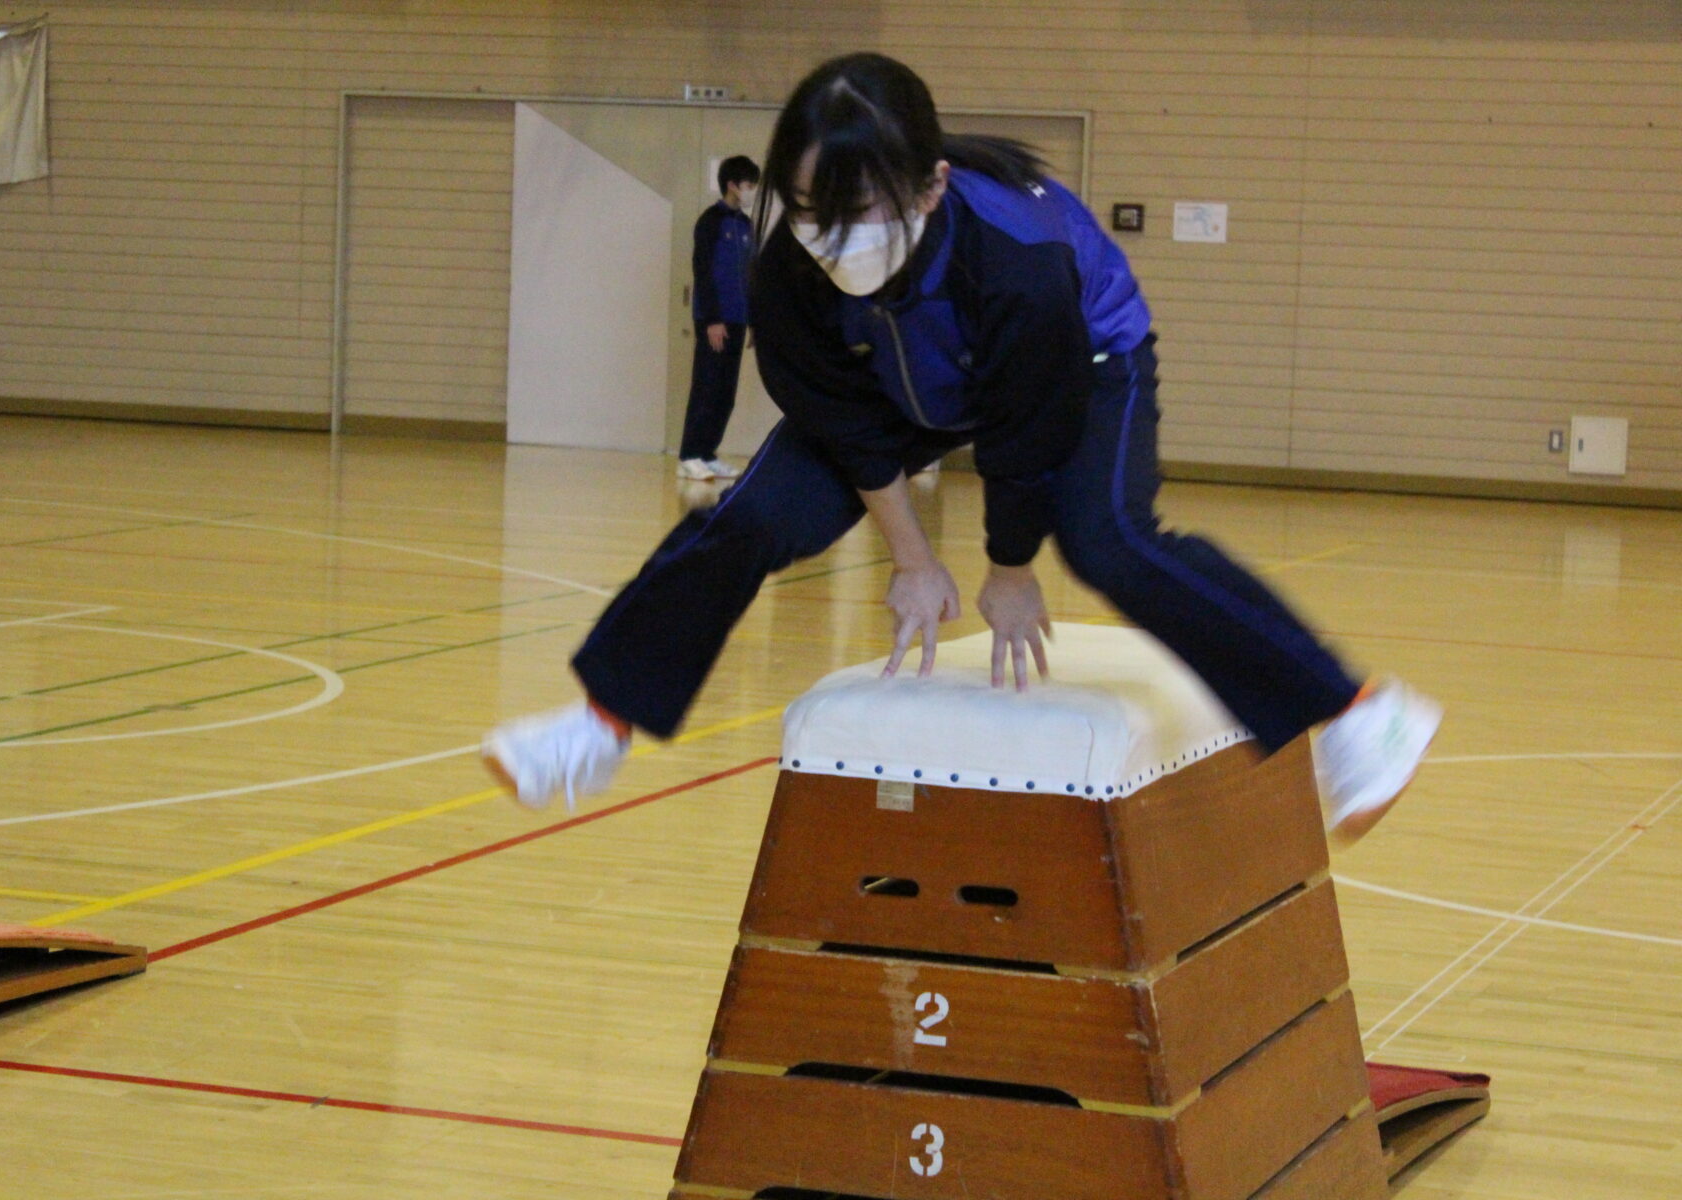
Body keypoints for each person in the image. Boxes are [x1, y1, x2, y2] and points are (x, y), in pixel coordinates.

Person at [484, 54, 1441, 845]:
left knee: (1107, 539)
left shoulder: (1019, 261)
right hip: (896, 385)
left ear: (932, 186)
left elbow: (1027, 434)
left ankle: (1359, 712)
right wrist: (909, 556)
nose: (834, 239)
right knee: (751, 518)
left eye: (864, 214)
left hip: (1085, 355)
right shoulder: (790, 266)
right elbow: (846, 423)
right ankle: (601, 721)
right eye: (814, 210)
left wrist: (1008, 568)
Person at [677, 155, 760, 481]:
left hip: (738, 319)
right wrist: (712, 319)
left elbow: (749, 275)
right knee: (707, 387)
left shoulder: (746, 225)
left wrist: (752, 319)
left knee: (726, 392)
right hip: (715, 320)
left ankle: (708, 453)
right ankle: (688, 455)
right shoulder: (710, 221)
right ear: (732, 185)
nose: (752, 191)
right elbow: (703, 271)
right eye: (749, 185)